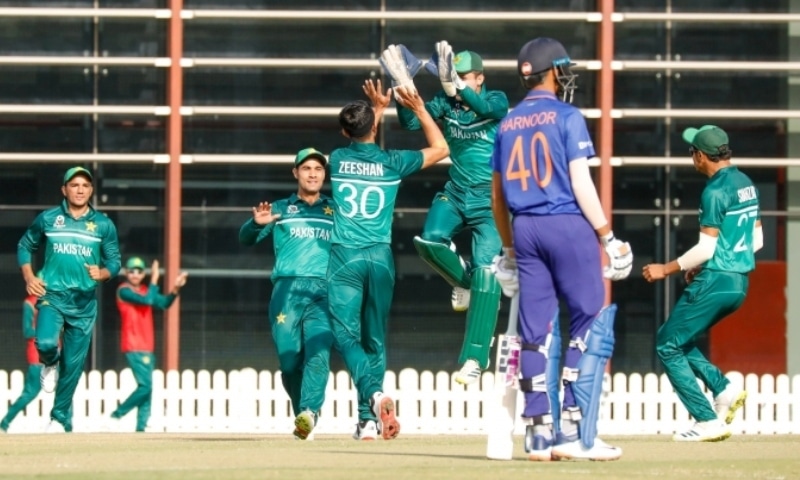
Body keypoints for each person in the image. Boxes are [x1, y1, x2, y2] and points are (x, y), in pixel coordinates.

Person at [490, 37, 633, 461]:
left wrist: (509, 249)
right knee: (589, 320)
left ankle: (538, 434)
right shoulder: (567, 116)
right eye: (563, 68)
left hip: (525, 228)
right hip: (566, 222)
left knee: (535, 336)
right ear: (552, 70)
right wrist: (607, 236)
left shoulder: (507, 123)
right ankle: (574, 429)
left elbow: (496, 197)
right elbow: (581, 183)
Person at [328, 79, 449, 441]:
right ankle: (367, 422)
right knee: (375, 340)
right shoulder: (393, 163)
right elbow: (440, 148)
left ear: (343, 131)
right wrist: (418, 107)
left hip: (345, 257)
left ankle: (374, 398)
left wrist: (374, 112)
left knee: (345, 336)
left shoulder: (336, 159)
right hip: (380, 258)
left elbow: (360, 140)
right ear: (374, 128)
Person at [392, 41, 510, 385]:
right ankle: (463, 281)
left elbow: (487, 108)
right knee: (428, 242)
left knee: (488, 274)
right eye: (453, 76)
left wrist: (457, 88)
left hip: (491, 202)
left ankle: (474, 358)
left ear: (480, 78)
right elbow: (412, 124)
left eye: (465, 77)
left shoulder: (495, 99)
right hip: (457, 193)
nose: (457, 83)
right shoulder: (447, 104)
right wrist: (405, 92)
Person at [643, 125, 759, 442]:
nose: (691, 157)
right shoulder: (745, 183)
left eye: (691, 151)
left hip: (716, 279)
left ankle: (707, 420)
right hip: (738, 284)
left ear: (701, 156)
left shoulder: (714, 191)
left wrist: (665, 269)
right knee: (676, 339)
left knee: (667, 344)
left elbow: (707, 247)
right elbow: (756, 240)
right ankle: (723, 389)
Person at [239, 147, 335, 441]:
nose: (313, 174)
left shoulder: (336, 210)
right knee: (289, 362)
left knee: (318, 353)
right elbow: (246, 239)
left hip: (323, 291)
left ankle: (309, 412)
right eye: (307, 168)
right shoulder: (280, 208)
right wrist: (255, 224)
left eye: (318, 169)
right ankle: (302, 415)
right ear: (296, 173)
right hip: (286, 292)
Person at [17, 166, 121, 433]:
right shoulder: (49, 219)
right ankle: (49, 361)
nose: (80, 190)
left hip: (84, 303)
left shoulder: (103, 225)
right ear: (64, 189)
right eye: (74, 185)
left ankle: (59, 418)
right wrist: (29, 276)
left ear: (91, 190)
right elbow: (25, 245)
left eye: (85, 185)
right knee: (47, 342)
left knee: (73, 367)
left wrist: (104, 273)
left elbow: (114, 261)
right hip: (52, 295)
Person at [106, 257, 187, 432]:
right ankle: (117, 414)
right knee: (146, 386)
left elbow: (164, 303)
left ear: (143, 274)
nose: (135, 274)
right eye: (132, 270)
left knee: (148, 390)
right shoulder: (124, 290)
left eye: (139, 271)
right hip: (134, 344)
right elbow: (148, 301)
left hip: (147, 345)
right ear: (126, 273)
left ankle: (141, 428)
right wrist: (155, 278)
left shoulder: (144, 290)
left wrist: (175, 289)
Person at [0, 295, 43, 433]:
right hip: (37, 354)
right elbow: (27, 331)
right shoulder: (30, 303)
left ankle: (67, 427)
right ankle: (5, 423)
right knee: (31, 392)